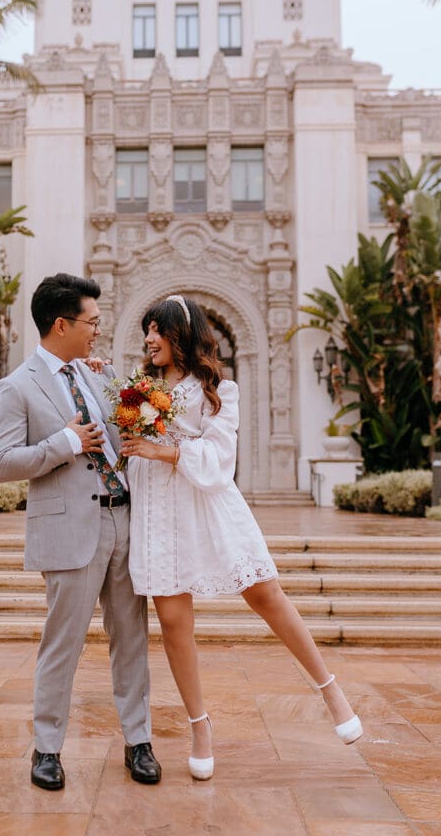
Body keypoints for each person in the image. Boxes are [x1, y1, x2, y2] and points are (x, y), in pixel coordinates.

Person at [118, 294, 363, 782]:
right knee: (171, 620)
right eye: (146, 330)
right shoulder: (139, 388)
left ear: (181, 335)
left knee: (265, 592)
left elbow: (219, 460)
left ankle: (330, 689)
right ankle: (200, 725)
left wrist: (160, 449)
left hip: (207, 503)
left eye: (157, 330)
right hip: (158, 512)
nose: (148, 339)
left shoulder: (219, 390)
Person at [0, 273, 161, 791]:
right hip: (69, 531)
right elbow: (0, 463)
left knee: (131, 639)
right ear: (60, 323)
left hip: (123, 520)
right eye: (92, 322)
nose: (97, 331)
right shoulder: (17, 386)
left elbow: (121, 432)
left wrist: (123, 392)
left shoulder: (92, 374)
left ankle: (140, 741)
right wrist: (63, 442)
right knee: (62, 642)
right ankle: (46, 749)